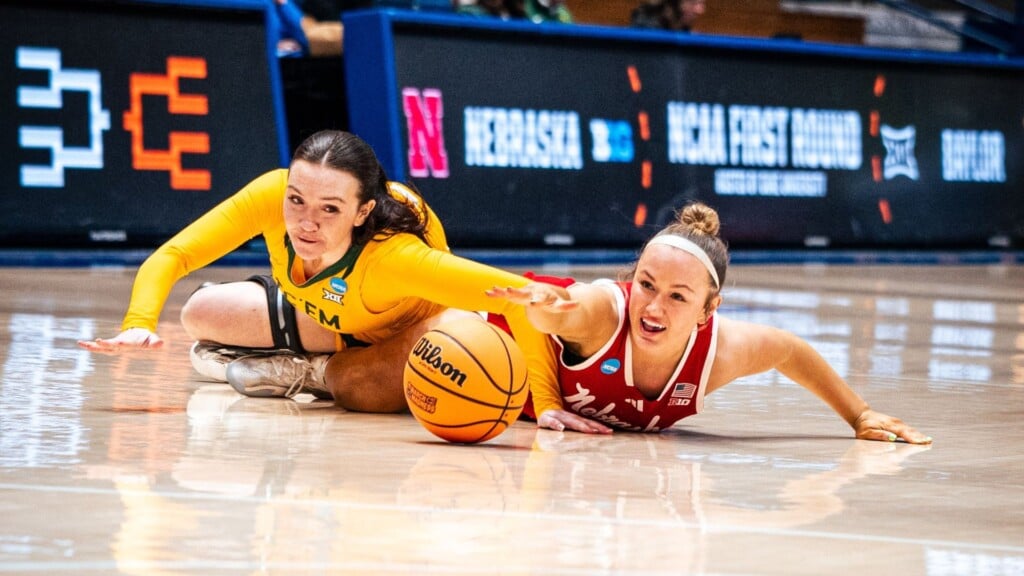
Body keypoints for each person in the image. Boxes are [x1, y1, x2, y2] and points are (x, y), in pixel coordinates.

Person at [78, 130, 557, 413]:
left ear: (363, 211)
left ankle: (312, 375)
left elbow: (524, 295)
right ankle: (294, 359)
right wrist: (138, 324)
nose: (306, 223)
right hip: (334, 314)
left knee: (357, 388)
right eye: (297, 201)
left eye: (330, 209)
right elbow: (172, 256)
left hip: (409, 330)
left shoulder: (396, 259)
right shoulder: (272, 194)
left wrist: (548, 403)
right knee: (198, 313)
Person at [487, 202, 933, 444]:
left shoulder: (718, 353)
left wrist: (859, 414)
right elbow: (560, 310)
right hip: (485, 339)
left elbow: (789, 350)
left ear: (708, 309)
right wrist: (543, 304)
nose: (654, 308)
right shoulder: (604, 314)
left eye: (678, 296)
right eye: (646, 284)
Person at [630, 0, 705, 32]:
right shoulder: (643, 31)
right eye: (693, 3)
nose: (700, 11)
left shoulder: (686, 33)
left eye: (701, 3)